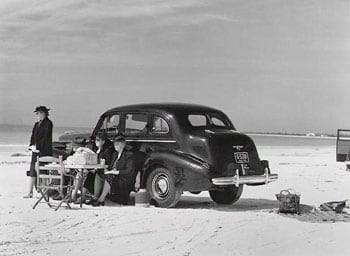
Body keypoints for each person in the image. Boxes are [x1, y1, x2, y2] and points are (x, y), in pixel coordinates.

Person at [92, 135, 136, 206]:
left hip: (123, 178)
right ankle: (95, 197)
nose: (115, 146)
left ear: (123, 144)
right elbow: (111, 166)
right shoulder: (115, 154)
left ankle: (101, 199)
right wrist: (105, 168)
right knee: (99, 174)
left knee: (109, 176)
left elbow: (129, 171)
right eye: (114, 144)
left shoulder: (128, 155)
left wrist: (116, 172)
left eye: (117, 144)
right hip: (114, 175)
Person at [24, 106, 53, 198]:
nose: (37, 115)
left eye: (38, 113)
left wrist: (39, 147)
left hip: (44, 151)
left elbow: (46, 137)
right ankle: (30, 192)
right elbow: (33, 136)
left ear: (43, 113)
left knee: (43, 170)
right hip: (35, 150)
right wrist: (31, 146)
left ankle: (44, 191)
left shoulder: (48, 123)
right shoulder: (37, 124)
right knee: (32, 170)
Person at [82, 132, 115, 203]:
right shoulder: (95, 150)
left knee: (94, 175)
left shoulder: (106, 151)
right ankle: (83, 196)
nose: (96, 142)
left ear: (103, 141)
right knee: (88, 174)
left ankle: (94, 197)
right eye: (95, 140)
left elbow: (107, 163)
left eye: (98, 140)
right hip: (96, 169)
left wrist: (96, 167)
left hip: (102, 170)